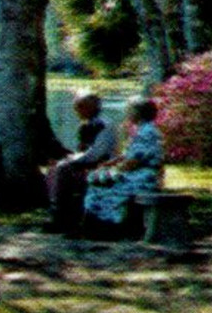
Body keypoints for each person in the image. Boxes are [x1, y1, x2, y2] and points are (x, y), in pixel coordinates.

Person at [83, 98, 165, 238]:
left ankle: (107, 226)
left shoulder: (147, 133)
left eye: (129, 111)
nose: (127, 114)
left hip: (144, 176)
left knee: (101, 184)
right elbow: (127, 155)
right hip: (138, 173)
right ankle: (98, 224)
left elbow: (133, 162)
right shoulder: (143, 130)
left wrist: (114, 170)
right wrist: (107, 164)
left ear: (138, 113)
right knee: (97, 179)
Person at [46, 92, 117, 232]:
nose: (76, 111)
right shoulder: (87, 125)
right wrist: (71, 158)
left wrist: (72, 160)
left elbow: (97, 153)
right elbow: (83, 151)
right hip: (88, 163)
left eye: (80, 107)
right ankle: (59, 213)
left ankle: (60, 216)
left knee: (62, 169)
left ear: (91, 108)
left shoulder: (103, 125)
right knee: (55, 167)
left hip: (102, 165)